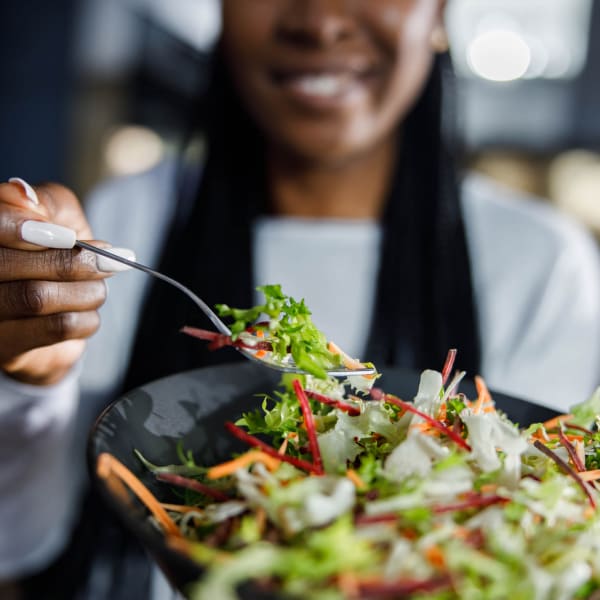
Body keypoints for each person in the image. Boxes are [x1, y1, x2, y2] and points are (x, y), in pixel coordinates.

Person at [1, 1, 599, 598]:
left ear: (440, 15)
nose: (319, 20)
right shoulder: (123, 225)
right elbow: (17, 543)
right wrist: (29, 380)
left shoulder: (540, 263)